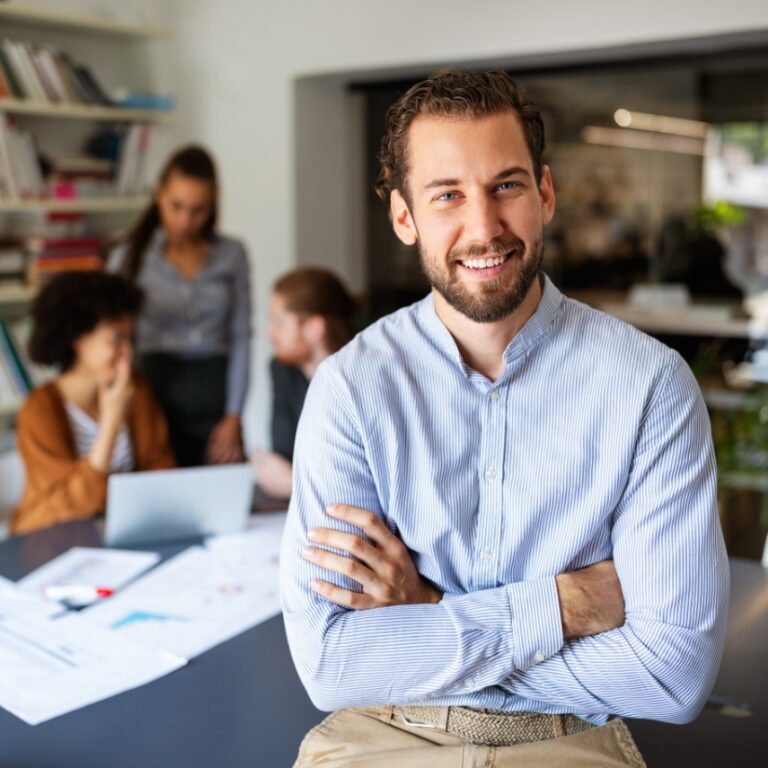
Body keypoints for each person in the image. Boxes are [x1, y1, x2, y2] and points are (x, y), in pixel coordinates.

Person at [280, 70, 729, 766]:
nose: (484, 227)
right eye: (448, 195)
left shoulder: (650, 387)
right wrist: (564, 606)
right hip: (384, 734)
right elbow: (331, 663)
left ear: (544, 193)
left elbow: (672, 674)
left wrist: (428, 616)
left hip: (567, 740)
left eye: (506, 187)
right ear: (405, 217)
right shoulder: (351, 389)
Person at [108, 145, 252, 467]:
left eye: (198, 209)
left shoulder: (232, 254)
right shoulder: (129, 258)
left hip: (216, 393)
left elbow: (241, 335)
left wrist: (234, 415)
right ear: (159, 195)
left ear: (212, 205)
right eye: (176, 206)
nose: (185, 220)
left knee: (223, 496)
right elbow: (111, 336)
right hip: (155, 390)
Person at [12, 272, 175, 535]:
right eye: (116, 339)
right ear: (78, 338)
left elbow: (160, 468)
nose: (128, 352)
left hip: (128, 532)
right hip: (55, 540)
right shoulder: (39, 410)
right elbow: (67, 506)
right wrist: (111, 422)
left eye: (130, 339)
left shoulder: (137, 389)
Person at [252, 267, 356, 499]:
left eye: (278, 322)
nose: (270, 333)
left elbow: (357, 480)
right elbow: (284, 451)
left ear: (313, 329)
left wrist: (293, 483)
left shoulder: (361, 378)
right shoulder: (281, 370)